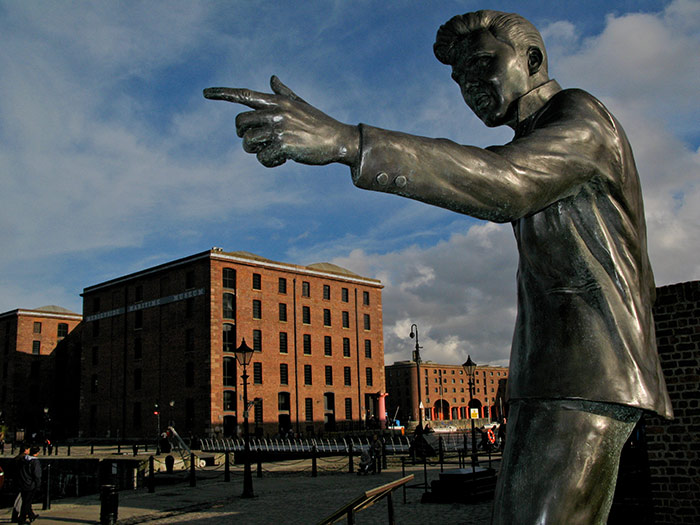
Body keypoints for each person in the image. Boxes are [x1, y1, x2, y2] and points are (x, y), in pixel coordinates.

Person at [204, 9, 672, 524]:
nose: (469, 84)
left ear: (532, 58)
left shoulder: (579, 114)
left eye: (480, 64)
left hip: (589, 373)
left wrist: (347, 141)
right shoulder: (540, 132)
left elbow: (506, 183)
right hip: (558, 373)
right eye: (459, 77)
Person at [17, 446, 41, 524]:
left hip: (22, 482)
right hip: (31, 484)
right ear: (37, 453)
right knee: (27, 502)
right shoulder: (35, 462)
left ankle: (31, 515)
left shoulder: (22, 460)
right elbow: (37, 474)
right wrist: (38, 484)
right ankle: (22, 518)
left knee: (26, 500)